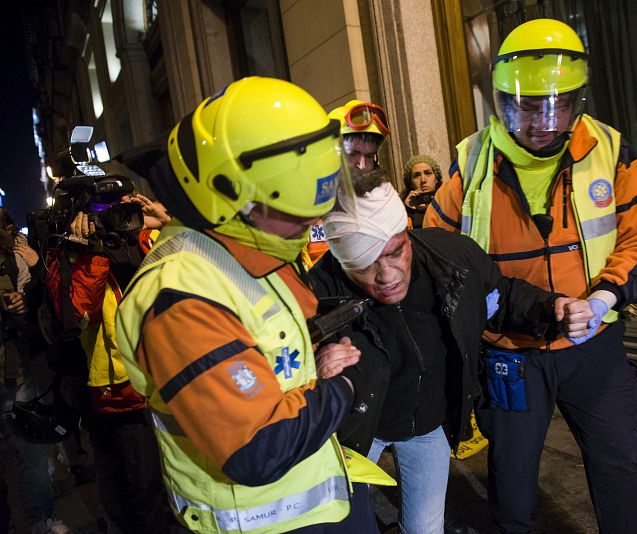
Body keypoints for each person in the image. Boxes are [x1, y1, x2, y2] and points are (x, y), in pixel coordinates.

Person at [425, 18, 637, 533]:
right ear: (501, 100)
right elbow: (440, 256)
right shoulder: (469, 163)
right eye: (527, 105)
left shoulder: (610, 150)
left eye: (559, 104)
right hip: (510, 351)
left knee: (619, 469)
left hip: (593, 344)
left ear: (578, 98)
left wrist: (602, 298)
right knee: (511, 483)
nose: (543, 120)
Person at [114, 76, 364, 533]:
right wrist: (343, 390)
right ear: (226, 195)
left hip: (310, 507)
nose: (309, 221)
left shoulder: (245, 242)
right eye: (288, 204)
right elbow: (257, 448)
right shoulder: (179, 296)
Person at [310, 168, 595, 534]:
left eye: (395, 253)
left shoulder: (452, 257)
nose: (387, 276)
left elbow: (499, 298)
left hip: (426, 424)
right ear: (340, 260)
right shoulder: (314, 293)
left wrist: (552, 308)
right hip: (354, 431)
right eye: (364, 266)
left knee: (426, 529)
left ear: (407, 234)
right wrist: (309, 373)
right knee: (344, 527)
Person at [46, 187, 174, 534]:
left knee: (178, 484)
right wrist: (87, 252)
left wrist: (167, 222)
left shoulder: (155, 236)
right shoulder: (70, 250)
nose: (116, 216)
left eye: (122, 207)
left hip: (172, 378)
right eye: (104, 210)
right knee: (138, 492)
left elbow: (199, 270)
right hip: (122, 393)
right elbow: (78, 313)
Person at [0, 208, 70, 534]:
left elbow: (39, 307)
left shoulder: (16, 254)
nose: (11, 233)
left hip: (14, 370)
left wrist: (22, 300)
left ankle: (42, 520)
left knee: (29, 454)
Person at [302, 100, 392, 269]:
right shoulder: (307, 210)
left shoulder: (386, 206)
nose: (363, 165)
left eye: (369, 156)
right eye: (353, 154)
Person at [402, 155, 443, 228]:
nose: (423, 180)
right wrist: (407, 210)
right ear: (410, 183)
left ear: (436, 178)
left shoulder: (447, 202)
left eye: (428, 173)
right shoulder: (402, 211)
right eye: (416, 175)